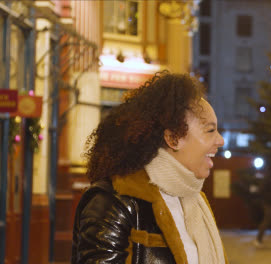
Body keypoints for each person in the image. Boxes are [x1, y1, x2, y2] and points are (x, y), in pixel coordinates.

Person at [71, 72, 228, 263]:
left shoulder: (194, 200)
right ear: (173, 138)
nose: (220, 140)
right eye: (210, 130)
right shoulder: (115, 202)